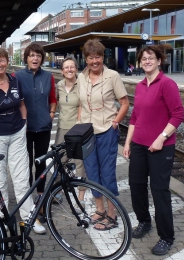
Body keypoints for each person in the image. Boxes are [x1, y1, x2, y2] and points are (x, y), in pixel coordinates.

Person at [0, 47, 46, 234]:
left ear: (7, 62)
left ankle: (29, 217)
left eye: (3, 60)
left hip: (17, 134)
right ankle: (2, 218)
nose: (0, 64)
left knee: (22, 177)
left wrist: (23, 125)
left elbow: (22, 104)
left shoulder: (14, 81)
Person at [123, 45, 184, 255]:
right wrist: (128, 143)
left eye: (151, 58)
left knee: (159, 192)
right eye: (144, 58)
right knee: (136, 186)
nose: (147, 61)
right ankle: (144, 222)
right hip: (139, 145)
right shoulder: (140, 86)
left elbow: (178, 115)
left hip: (161, 147)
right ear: (140, 62)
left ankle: (166, 237)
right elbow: (134, 117)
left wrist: (161, 138)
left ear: (159, 61)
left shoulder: (167, 84)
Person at [77, 39, 129, 230]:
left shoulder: (112, 76)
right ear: (86, 59)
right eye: (90, 58)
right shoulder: (81, 77)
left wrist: (116, 122)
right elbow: (81, 104)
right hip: (87, 133)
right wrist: (79, 124)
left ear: (102, 57)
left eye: (97, 57)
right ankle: (99, 210)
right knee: (92, 173)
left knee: (107, 174)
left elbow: (124, 103)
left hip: (106, 131)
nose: (94, 61)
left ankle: (112, 215)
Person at [14, 43, 57, 221]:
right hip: (24, 128)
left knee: (40, 164)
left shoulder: (48, 77)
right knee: (25, 164)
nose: (35, 58)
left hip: (43, 127)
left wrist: (51, 114)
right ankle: (27, 202)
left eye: (38, 56)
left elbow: (53, 98)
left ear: (42, 58)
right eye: (31, 55)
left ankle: (40, 200)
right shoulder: (16, 76)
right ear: (26, 58)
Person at [54, 56, 86, 205]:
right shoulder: (59, 85)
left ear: (76, 69)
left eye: (72, 67)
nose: (69, 70)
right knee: (59, 161)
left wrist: (79, 125)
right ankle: (58, 192)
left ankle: (81, 196)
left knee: (79, 162)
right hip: (62, 128)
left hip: (77, 129)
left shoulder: (82, 84)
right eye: (66, 67)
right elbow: (54, 103)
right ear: (62, 71)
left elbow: (83, 105)